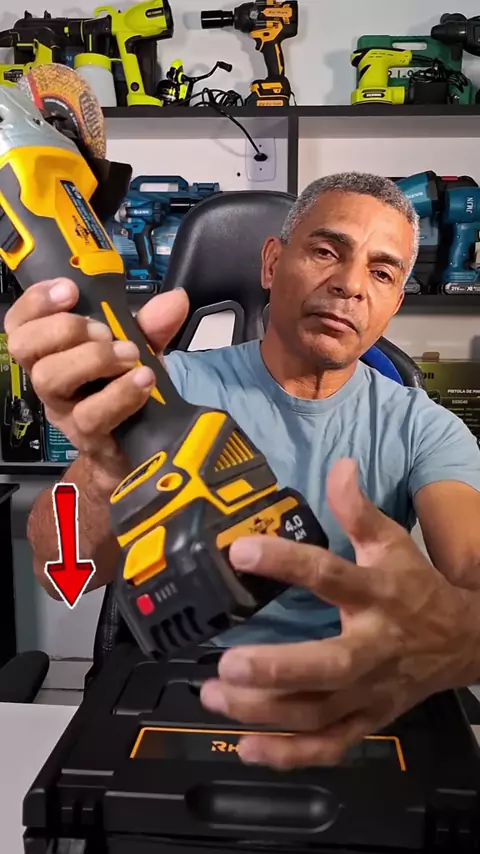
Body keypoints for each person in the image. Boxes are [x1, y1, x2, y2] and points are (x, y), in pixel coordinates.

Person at [6, 172, 480, 770]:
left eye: (382, 273)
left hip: (351, 691)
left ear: (394, 304)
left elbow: (472, 567)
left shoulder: (424, 427)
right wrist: (104, 465)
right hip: (182, 685)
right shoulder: (167, 384)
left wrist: (460, 631)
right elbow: (62, 574)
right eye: (326, 251)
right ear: (272, 264)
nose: (350, 284)